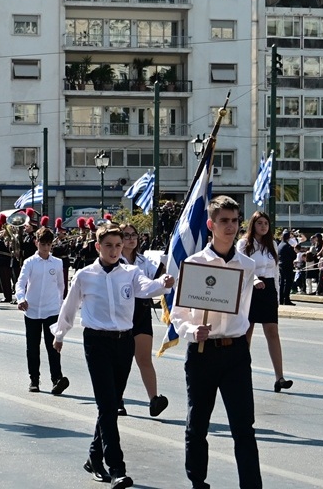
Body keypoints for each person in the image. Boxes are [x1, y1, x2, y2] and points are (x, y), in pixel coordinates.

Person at [53, 224, 173, 489]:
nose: (114, 250)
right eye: (108, 245)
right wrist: (59, 334)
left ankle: (94, 457)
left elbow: (145, 288)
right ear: (98, 246)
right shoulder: (85, 275)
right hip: (97, 342)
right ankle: (117, 468)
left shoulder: (131, 272)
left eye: (118, 245)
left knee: (110, 404)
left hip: (124, 342)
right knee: (108, 406)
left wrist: (162, 284)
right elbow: (69, 306)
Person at [170, 196, 262, 489]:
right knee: (197, 424)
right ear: (210, 224)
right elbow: (178, 314)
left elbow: (245, 308)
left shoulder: (247, 265)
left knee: (243, 427)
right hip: (202, 352)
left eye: (235, 221)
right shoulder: (194, 264)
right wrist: (191, 330)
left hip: (235, 352)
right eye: (224, 221)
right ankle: (198, 482)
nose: (230, 227)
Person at [239, 211, 293, 393]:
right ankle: (242, 375)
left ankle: (280, 377)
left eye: (266, 223)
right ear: (253, 225)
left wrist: (276, 296)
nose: (263, 226)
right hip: (250, 288)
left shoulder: (272, 245)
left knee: (273, 332)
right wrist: (254, 280)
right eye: (259, 223)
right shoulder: (243, 244)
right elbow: (241, 267)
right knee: (246, 333)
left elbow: (276, 272)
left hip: (268, 288)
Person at [117, 222, 166, 416]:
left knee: (144, 358)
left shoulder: (144, 260)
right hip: (122, 311)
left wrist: (165, 268)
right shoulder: (115, 260)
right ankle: (117, 399)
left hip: (142, 311)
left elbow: (155, 279)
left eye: (133, 235)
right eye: (126, 235)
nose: (131, 239)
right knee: (122, 360)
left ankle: (154, 400)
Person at [16, 227, 69, 396]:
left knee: (53, 346)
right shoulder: (30, 262)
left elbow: (61, 286)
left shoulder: (57, 263)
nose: (46, 248)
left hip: (51, 310)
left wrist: (61, 306)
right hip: (32, 310)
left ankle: (57, 379)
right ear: (36, 243)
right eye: (42, 244)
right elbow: (21, 283)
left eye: (48, 244)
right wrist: (20, 298)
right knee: (32, 347)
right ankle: (34, 379)